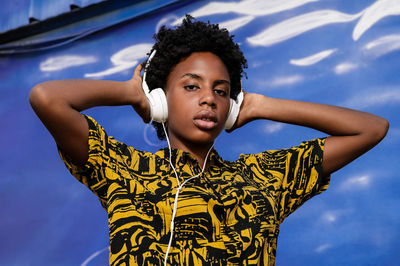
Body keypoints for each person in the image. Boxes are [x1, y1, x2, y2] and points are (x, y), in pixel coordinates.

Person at [29, 15, 388, 266]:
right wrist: (130, 93)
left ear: (231, 106)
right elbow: (47, 98)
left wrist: (263, 105)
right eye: (191, 86)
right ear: (161, 98)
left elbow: (370, 129)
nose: (208, 99)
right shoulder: (123, 169)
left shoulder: (267, 177)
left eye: (221, 91)